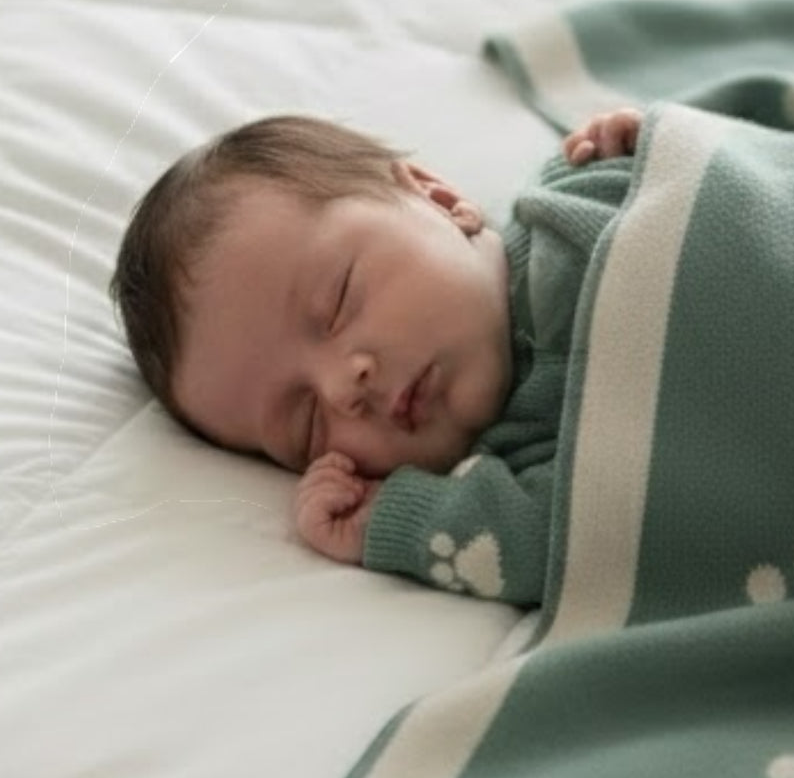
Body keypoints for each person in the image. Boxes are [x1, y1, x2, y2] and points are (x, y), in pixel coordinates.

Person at [109, 108, 643, 606]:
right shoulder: (515, 475)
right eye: (308, 424)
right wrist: (391, 521)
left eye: (338, 301)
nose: (345, 387)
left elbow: (709, 160)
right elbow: (605, 544)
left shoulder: (579, 196)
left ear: (436, 197)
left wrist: (643, 142)